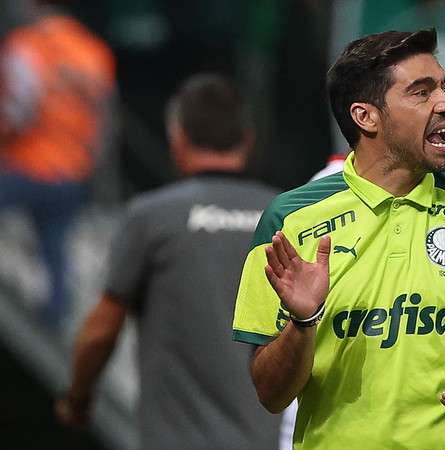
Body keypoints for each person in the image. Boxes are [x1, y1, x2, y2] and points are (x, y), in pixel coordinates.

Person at [232, 29, 445, 449]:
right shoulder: (289, 219)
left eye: (444, 87)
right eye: (422, 92)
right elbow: (271, 394)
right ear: (367, 117)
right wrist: (303, 322)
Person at [56, 74, 282, 450]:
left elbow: (100, 332)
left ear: (177, 137)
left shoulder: (152, 216)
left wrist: (78, 400)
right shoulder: (287, 217)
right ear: (248, 138)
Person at [0, 0, 115, 326]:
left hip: (29, 164)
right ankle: (56, 312)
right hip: (72, 172)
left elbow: (19, 106)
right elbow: (105, 119)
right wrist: (92, 164)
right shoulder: (94, 51)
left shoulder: (27, 45)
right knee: (55, 240)